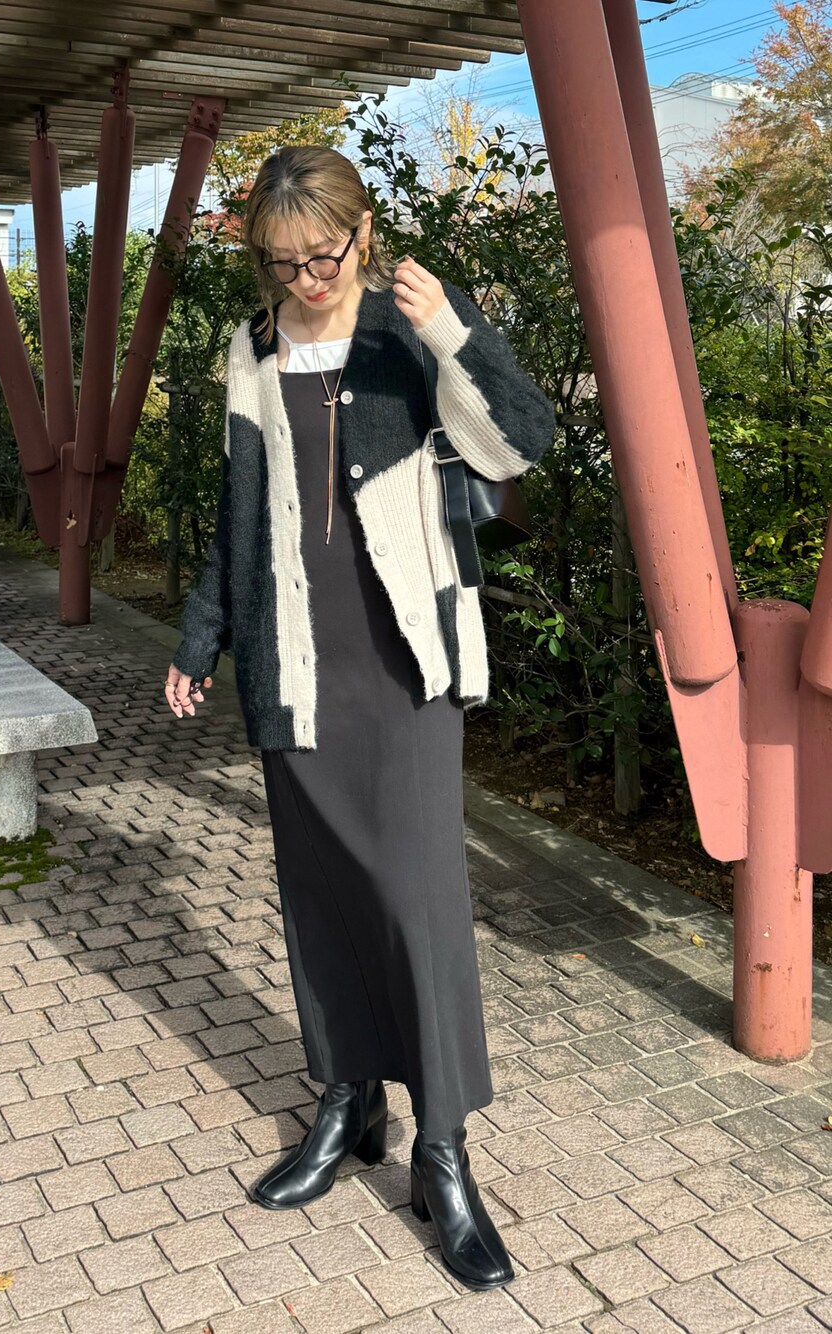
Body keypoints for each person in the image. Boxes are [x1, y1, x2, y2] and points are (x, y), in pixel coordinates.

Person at [164, 145, 555, 1291]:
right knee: (322, 889)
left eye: (322, 254)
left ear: (361, 230)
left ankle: (443, 1149)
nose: (306, 278)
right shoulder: (251, 347)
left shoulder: (408, 323)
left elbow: (519, 441)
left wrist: (452, 334)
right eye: (282, 261)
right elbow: (238, 510)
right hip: (294, 656)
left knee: (417, 900)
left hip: (403, 657)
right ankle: (348, 1099)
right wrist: (200, 636)